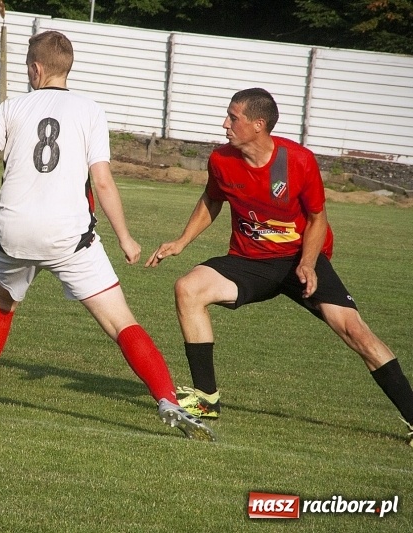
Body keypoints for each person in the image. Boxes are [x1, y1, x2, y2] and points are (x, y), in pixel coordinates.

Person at [0, 30, 215, 441]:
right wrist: (126, 238)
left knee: (1, 303)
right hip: (68, 235)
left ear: (35, 68)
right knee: (119, 322)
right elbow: (103, 182)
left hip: (15, 229)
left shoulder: (11, 107)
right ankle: (167, 400)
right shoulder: (90, 110)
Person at [146, 87, 413, 447]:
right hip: (248, 261)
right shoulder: (221, 160)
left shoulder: (299, 160)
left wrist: (308, 263)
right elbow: (212, 199)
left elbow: (318, 219)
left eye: (233, 117)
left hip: (300, 261)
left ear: (258, 125)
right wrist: (180, 241)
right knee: (187, 288)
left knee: (356, 332)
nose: (224, 124)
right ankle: (206, 399)